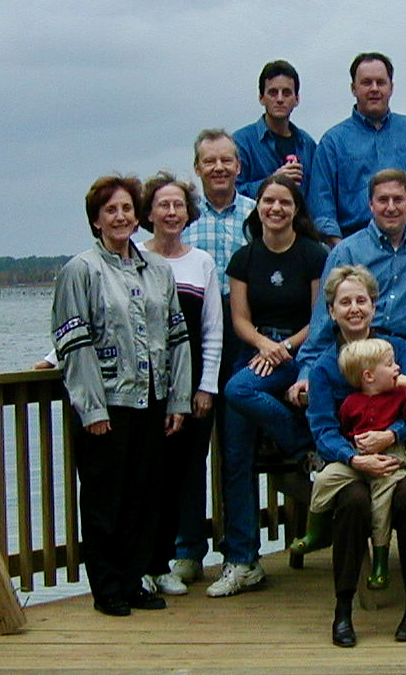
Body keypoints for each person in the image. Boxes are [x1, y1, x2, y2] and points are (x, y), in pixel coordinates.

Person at [52, 175, 191, 616]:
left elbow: (177, 337)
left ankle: (134, 581)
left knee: (143, 496)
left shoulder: (158, 270)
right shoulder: (80, 270)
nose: (120, 217)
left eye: (127, 209)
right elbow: (73, 344)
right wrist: (90, 407)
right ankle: (107, 588)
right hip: (106, 403)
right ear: (96, 220)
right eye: (110, 210)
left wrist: (178, 399)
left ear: (138, 215)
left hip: (150, 400)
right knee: (103, 499)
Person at [207, 176, 327, 598]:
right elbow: (239, 318)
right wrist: (263, 344)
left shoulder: (314, 255)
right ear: (256, 207)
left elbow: (320, 320)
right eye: (267, 202)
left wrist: (284, 347)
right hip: (254, 351)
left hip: (301, 353)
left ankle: (298, 443)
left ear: (296, 210)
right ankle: (243, 561)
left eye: (284, 203)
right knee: (235, 455)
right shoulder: (243, 259)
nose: (275, 209)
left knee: (240, 391)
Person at [305, 265, 406, 646]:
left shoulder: (398, 352)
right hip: (351, 464)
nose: (354, 308)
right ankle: (343, 611)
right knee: (352, 504)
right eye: (344, 302)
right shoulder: (325, 367)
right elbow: (322, 429)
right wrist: (355, 457)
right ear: (331, 311)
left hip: (405, 455)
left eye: (362, 300)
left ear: (374, 306)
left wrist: (391, 435)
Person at [288, 169, 406, 432]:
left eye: (398, 200)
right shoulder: (347, 250)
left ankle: (405, 445)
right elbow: (322, 316)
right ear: (370, 204)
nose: (390, 207)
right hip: (357, 342)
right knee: (340, 382)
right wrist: (307, 370)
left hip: (404, 348)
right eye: (382, 200)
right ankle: (352, 446)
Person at [176, 129, 255, 586]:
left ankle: (242, 552)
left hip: (243, 340)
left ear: (239, 167)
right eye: (210, 161)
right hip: (196, 342)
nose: (220, 168)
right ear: (198, 168)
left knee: (237, 451)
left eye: (227, 160)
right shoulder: (183, 221)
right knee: (191, 449)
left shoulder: (255, 215)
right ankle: (187, 549)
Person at [139, 174, 223, 596]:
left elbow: (212, 330)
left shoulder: (201, 262)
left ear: (189, 213)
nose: (171, 213)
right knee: (145, 474)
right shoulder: (132, 258)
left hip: (189, 389)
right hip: (142, 387)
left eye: (178, 206)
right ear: (149, 213)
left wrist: (206, 386)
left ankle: (174, 560)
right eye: (163, 205)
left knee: (183, 475)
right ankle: (142, 563)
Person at [293, 338, 406, 594]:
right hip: (356, 455)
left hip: (392, 455)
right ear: (368, 376)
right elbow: (341, 428)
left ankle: (380, 561)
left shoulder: (400, 395)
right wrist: (354, 452)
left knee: (381, 504)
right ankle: (317, 530)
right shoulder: (350, 402)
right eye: (390, 365)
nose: (398, 368)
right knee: (323, 478)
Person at [308, 52, 406, 244]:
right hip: (354, 248)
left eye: (381, 82)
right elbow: (322, 209)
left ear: (391, 87)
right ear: (353, 88)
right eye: (366, 82)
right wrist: (345, 254)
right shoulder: (333, 142)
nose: (374, 89)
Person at [233, 59, 317, 199]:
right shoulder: (241, 142)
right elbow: (232, 193)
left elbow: (317, 193)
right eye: (273, 93)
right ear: (261, 98)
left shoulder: (307, 145)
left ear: (296, 99)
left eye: (286, 93)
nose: (279, 99)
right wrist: (272, 182)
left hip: (299, 219)